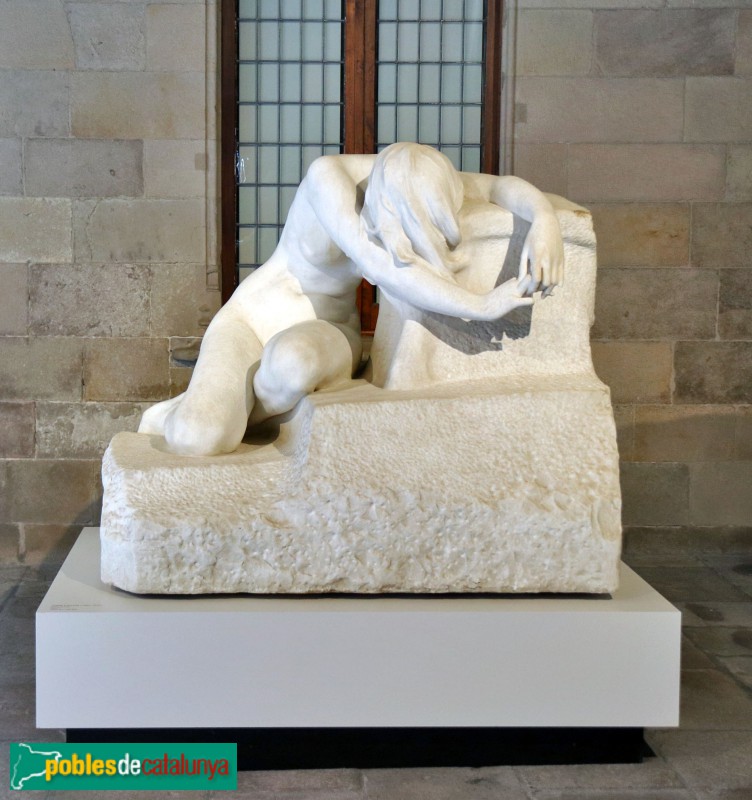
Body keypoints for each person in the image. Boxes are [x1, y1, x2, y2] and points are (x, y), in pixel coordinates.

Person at [140, 143, 565, 456]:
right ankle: (197, 408)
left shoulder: (430, 177)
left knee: (292, 365)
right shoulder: (328, 177)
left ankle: (235, 400)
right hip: (252, 319)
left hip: (328, 329)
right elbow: (388, 271)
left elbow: (502, 187)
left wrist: (544, 220)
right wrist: (481, 306)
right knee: (199, 438)